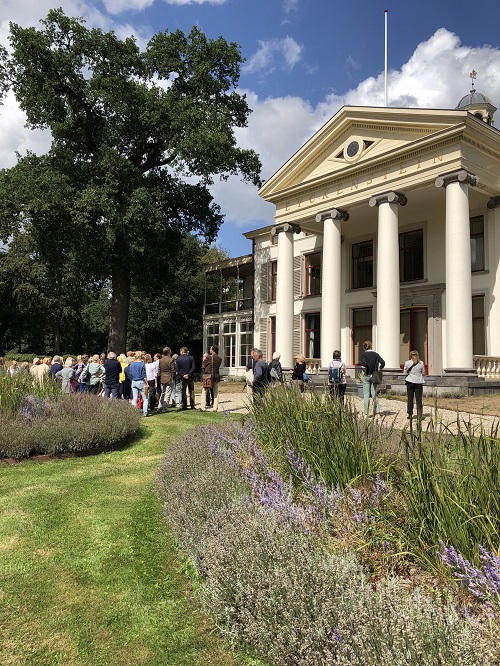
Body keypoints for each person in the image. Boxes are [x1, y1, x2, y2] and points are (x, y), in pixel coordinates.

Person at [360, 341, 385, 416]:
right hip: (374, 375)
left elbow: (364, 364)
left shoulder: (364, 354)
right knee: (374, 394)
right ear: (371, 346)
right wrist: (379, 368)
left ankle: (366, 412)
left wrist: (365, 371)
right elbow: (383, 362)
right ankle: (377, 411)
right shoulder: (376, 354)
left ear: (364, 347)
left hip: (367, 375)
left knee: (366, 394)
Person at [403, 350, 425, 420]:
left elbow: (405, 372)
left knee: (410, 398)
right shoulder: (421, 363)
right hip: (419, 381)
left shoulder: (407, 363)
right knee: (419, 399)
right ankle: (419, 414)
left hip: (410, 381)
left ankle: (410, 413)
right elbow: (423, 372)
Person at [200, 345, 222, 412]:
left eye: (210, 349)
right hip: (216, 376)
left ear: (213, 350)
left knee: (204, 391)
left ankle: (203, 407)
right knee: (215, 392)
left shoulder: (209, 357)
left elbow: (203, 366)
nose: (209, 350)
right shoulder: (219, 358)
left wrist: (204, 361)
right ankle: (215, 408)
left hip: (208, 377)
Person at [127, 351, 149, 416]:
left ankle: (134, 412)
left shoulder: (132, 364)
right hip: (141, 382)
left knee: (134, 398)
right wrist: (147, 383)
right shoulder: (142, 364)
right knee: (145, 398)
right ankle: (145, 412)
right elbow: (144, 375)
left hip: (133, 382)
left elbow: (130, 373)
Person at [158, 347, 174, 412]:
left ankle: (160, 406)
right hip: (169, 377)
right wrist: (173, 376)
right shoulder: (171, 360)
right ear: (168, 352)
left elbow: (159, 370)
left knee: (163, 393)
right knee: (168, 393)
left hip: (162, 377)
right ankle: (164, 407)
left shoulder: (160, 360)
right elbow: (173, 370)